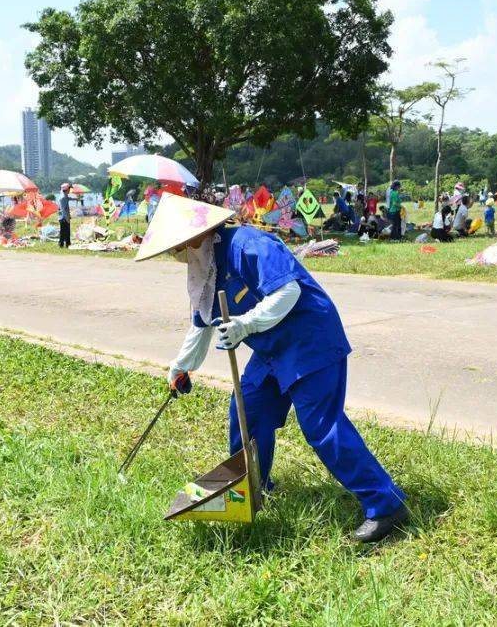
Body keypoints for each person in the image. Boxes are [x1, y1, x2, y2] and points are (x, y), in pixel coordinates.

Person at [141, 194, 409, 543]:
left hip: (309, 340)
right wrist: (181, 367)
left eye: (177, 247)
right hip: (271, 351)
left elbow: (288, 292)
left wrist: (244, 325)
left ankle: (385, 505)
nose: (177, 256)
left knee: (321, 426)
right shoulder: (207, 266)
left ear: (196, 236)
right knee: (248, 411)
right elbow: (202, 323)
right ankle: (254, 485)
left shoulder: (249, 245)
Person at [57, 183, 73, 249]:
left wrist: (76, 199)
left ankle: (67, 244)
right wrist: (67, 218)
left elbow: (68, 198)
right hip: (63, 217)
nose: (70, 190)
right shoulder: (63, 197)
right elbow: (63, 209)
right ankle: (63, 244)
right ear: (66, 189)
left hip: (64, 216)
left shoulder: (64, 196)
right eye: (69, 188)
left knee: (65, 231)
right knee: (64, 232)